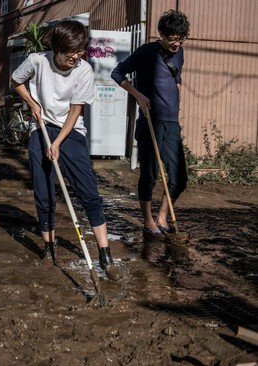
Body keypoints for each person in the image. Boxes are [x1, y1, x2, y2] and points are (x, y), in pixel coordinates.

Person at [11, 20, 120, 280]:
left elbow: (75, 111)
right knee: (44, 192)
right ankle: (49, 249)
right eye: (70, 51)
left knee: (88, 192)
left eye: (80, 50)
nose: (75, 56)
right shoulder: (37, 61)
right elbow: (16, 80)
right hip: (40, 127)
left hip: (70, 132)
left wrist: (58, 142)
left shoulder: (83, 70)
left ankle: (105, 253)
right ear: (56, 48)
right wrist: (32, 102)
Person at [111, 10, 189, 240]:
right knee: (150, 174)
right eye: (172, 38)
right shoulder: (147, 52)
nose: (176, 43)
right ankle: (148, 221)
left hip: (171, 122)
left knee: (179, 177)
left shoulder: (179, 53)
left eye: (181, 38)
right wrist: (138, 95)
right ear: (162, 34)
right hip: (150, 121)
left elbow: (177, 79)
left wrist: (176, 103)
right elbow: (117, 73)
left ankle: (163, 216)